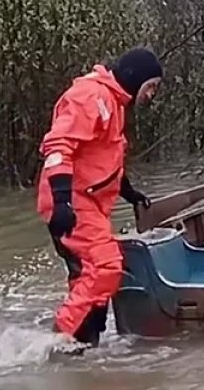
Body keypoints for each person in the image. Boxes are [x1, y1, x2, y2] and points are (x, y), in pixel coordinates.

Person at [36, 46, 163, 348]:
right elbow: (58, 148)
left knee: (90, 278)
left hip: (88, 201)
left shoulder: (114, 103)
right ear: (136, 78)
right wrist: (63, 201)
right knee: (106, 266)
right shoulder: (90, 97)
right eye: (152, 86)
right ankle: (58, 339)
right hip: (72, 200)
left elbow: (101, 159)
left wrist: (127, 192)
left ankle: (82, 348)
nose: (152, 95)